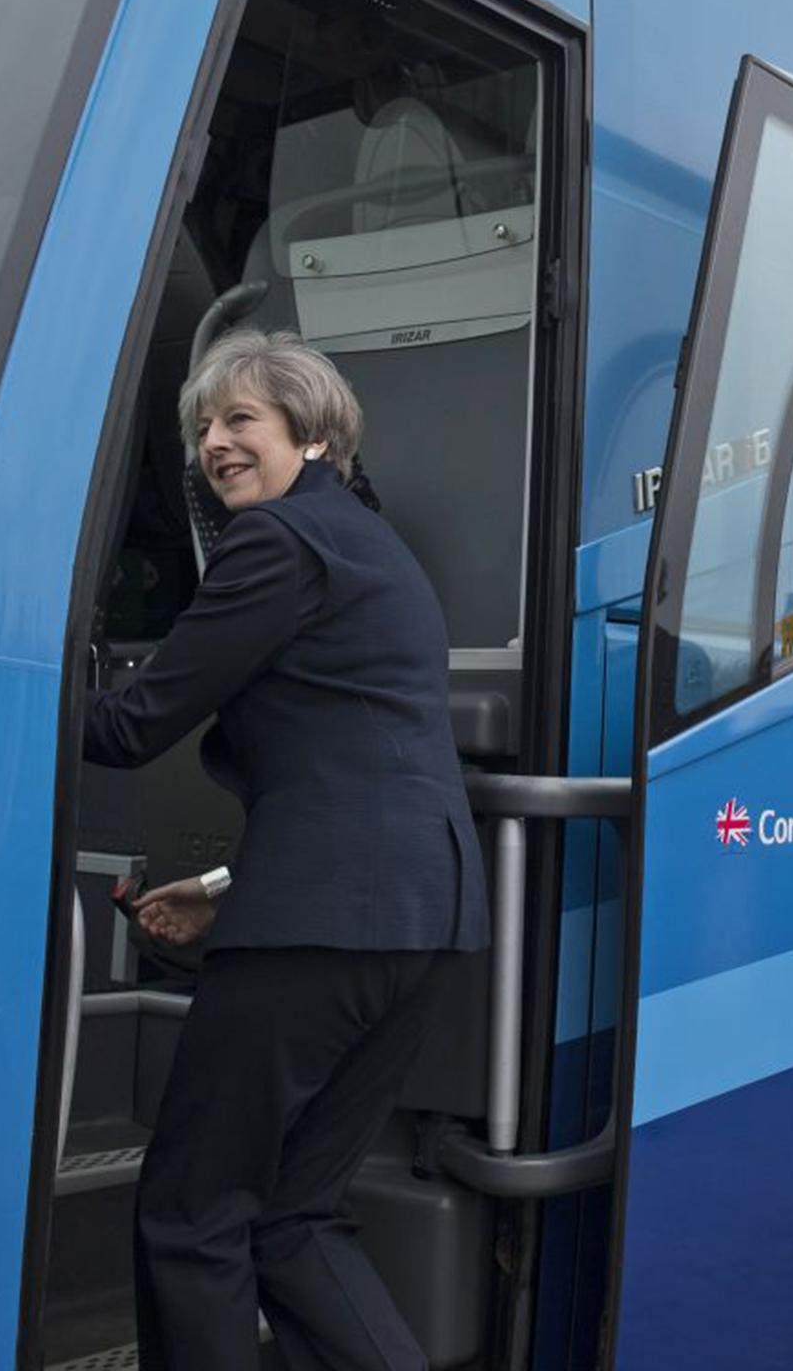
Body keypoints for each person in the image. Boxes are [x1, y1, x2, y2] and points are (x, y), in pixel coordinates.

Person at [84, 329, 487, 1368]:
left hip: (323, 923)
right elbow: (360, 757)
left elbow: (134, 726)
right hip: (425, 920)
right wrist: (227, 886)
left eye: (240, 419)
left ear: (308, 431)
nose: (215, 443)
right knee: (293, 1216)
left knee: (192, 1211)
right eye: (204, 427)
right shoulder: (370, 543)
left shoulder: (275, 542)